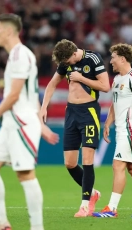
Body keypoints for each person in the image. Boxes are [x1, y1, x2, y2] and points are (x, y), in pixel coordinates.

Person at [0, 13, 59, 230]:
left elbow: (14, 95)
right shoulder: (15, 55)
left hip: (21, 124)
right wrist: (41, 126)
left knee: (25, 174)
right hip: (11, 125)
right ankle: (0, 222)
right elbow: (30, 94)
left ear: (9, 31)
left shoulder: (21, 55)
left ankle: (37, 229)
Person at [40, 39, 110, 217]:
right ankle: (93, 193)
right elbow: (52, 84)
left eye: (68, 61)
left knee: (87, 159)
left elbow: (105, 86)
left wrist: (81, 78)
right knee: (70, 163)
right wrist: (43, 107)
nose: (67, 65)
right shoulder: (66, 62)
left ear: (74, 54)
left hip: (89, 112)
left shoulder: (93, 59)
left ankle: (85, 205)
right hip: (71, 112)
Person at [92, 43, 132, 218]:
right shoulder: (118, 79)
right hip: (121, 129)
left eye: (113, 57)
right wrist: (107, 123)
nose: (110, 61)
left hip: (130, 129)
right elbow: (114, 103)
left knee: (117, 165)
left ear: (122, 58)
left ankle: (111, 209)